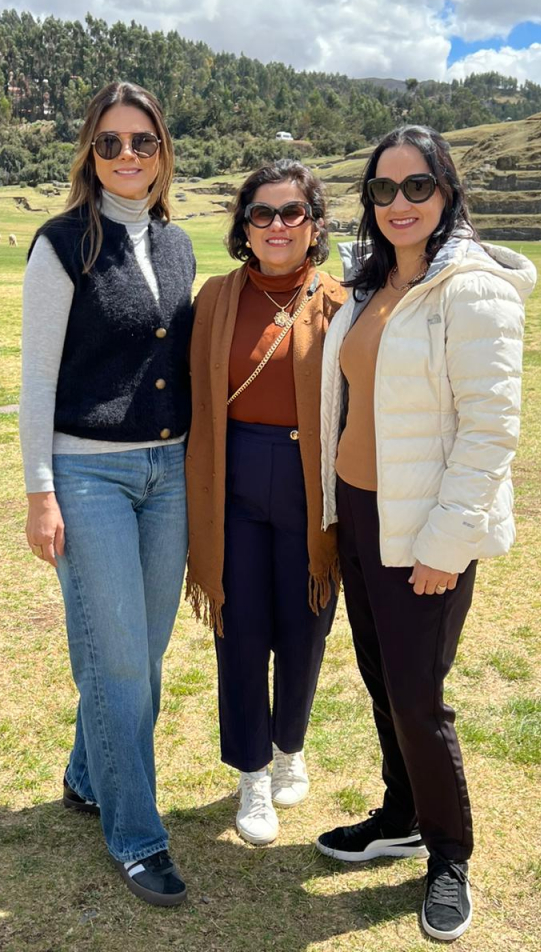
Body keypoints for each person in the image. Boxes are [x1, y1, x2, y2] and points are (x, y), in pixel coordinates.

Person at [316, 125, 536, 941]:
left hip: (429, 526)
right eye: (383, 190)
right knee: (382, 681)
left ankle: (449, 855)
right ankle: (401, 815)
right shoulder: (371, 286)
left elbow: (489, 434)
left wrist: (447, 545)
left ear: (446, 191)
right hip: (365, 512)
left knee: (418, 695)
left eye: (417, 187)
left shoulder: (473, 290)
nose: (399, 203)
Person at [19, 81, 195, 907]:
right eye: (111, 143)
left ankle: (89, 771)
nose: (129, 156)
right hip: (87, 476)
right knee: (120, 660)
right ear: (90, 154)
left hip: (170, 475)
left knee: (142, 653)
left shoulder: (179, 245)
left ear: (163, 153)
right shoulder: (61, 245)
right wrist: (39, 492)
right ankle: (135, 835)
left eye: (144, 142)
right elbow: (36, 381)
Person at [185, 160, 346, 845]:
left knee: (305, 625)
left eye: (292, 213)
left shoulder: (341, 302)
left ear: (314, 227)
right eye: (262, 213)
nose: (277, 225)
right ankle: (251, 773)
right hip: (235, 478)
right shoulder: (215, 299)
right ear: (243, 228)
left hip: (314, 481)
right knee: (240, 629)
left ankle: (289, 748)